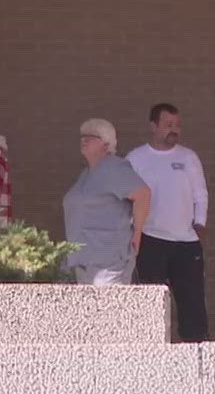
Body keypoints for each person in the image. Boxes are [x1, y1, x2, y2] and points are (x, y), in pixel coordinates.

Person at [127, 103, 211, 342]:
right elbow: (126, 197)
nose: (174, 130)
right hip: (150, 239)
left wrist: (200, 223)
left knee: (192, 302)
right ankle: (152, 350)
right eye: (168, 125)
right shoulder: (136, 158)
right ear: (153, 126)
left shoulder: (188, 157)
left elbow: (200, 193)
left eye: (177, 125)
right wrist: (135, 232)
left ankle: (197, 354)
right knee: (151, 302)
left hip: (186, 242)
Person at [62, 118, 150, 285]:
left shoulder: (114, 167)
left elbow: (143, 194)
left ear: (106, 143)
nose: (84, 140)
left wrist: (137, 233)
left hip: (107, 264)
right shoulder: (87, 174)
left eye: (92, 136)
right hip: (84, 263)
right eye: (82, 136)